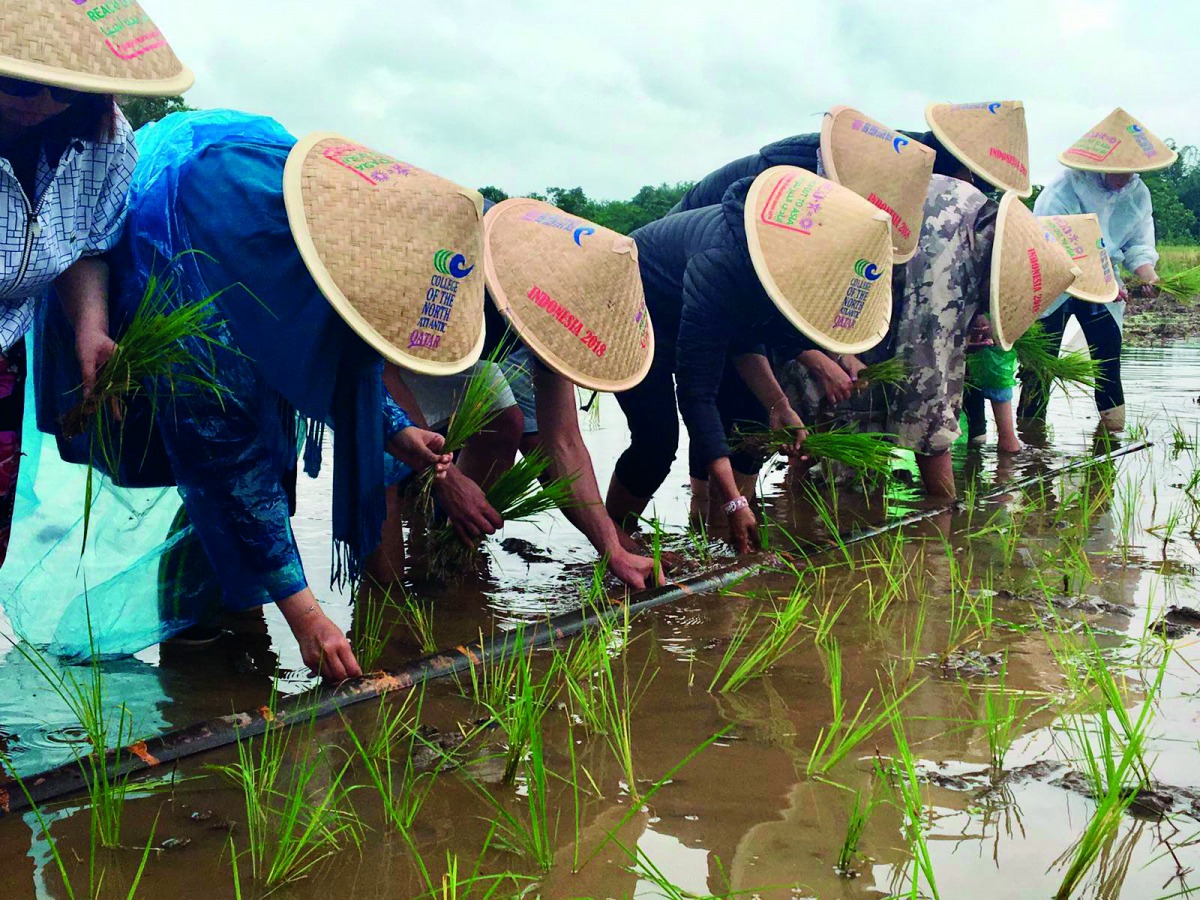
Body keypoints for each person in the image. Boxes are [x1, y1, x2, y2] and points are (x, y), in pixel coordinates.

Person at [37, 111, 475, 680]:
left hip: (215, 246)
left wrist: (393, 427)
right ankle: (198, 642)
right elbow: (225, 459)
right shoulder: (207, 271)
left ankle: (232, 622)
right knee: (219, 480)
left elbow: (345, 343)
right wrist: (309, 618)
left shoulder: (337, 240)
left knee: (262, 470)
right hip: (142, 285)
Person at [607, 165, 895, 551]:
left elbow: (746, 335)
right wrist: (735, 499)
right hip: (633, 308)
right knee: (657, 442)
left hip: (701, 309)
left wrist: (779, 404)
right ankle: (615, 545)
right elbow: (697, 394)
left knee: (751, 417)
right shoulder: (722, 260)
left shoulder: (782, 270)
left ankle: (717, 541)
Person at [0, 1, 192, 567]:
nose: (42, 104)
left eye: (65, 90)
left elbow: (86, 247)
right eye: (20, 83)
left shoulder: (104, 143)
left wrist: (92, 327)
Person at [389, 197, 661, 589]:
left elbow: (563, 441)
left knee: (505, 422)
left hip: (463, 341)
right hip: (383, 339)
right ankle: (387, 615)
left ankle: (447, 557)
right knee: (379, 482)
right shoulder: (452, 260)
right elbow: (374, 377)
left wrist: (611, 548)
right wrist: (442, 476)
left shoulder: (556, 308)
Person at [1018, 108, 1176, 432]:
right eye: (1118, 171)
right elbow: (1054, 250)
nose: (1124, 178)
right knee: (1040, 368)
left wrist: (1149, 276)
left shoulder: (1137, 194)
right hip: (1055, 285)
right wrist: (1100, 282)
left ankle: (1112, 436)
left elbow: (1138, 244)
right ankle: (1029, 446)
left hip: (1106, 287)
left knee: (1107, 365)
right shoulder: (1061, 192)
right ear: (1098, 165)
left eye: (1130, 172)